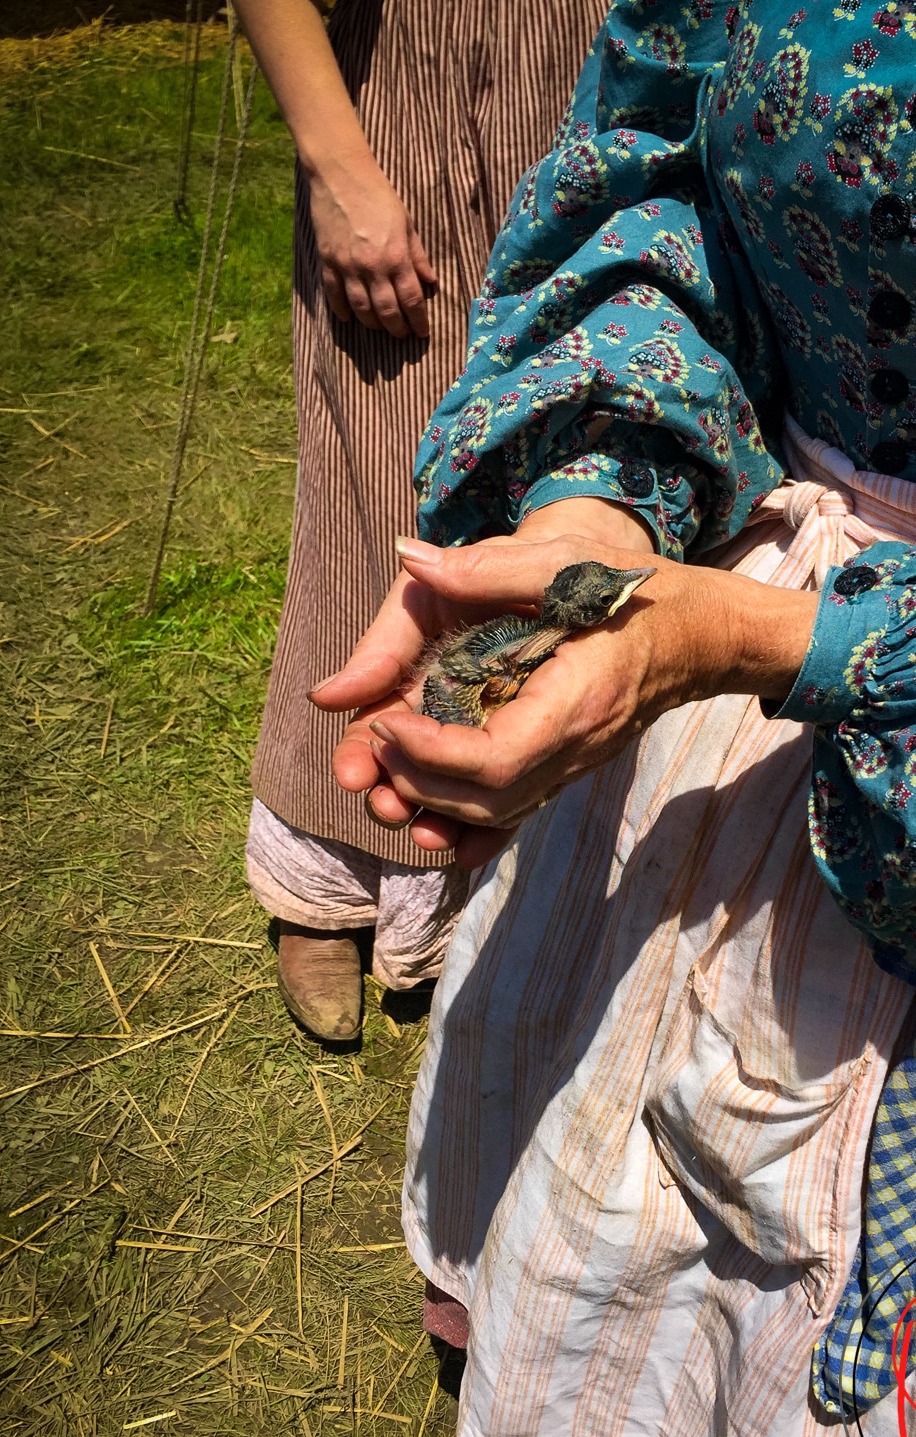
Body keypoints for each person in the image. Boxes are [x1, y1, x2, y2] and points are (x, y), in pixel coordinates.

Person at [313, 2, 916, 1437]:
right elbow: (663, 188)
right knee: (650, 1307)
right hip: (706, 678)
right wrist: (598, 527)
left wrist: (768, 638)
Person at [233, 0, 606, 1042]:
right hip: (419, 93)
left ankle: (507, 879)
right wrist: (337, 166)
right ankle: (333, 864)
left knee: (568, 489)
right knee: (391, 482)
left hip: (608, 82)